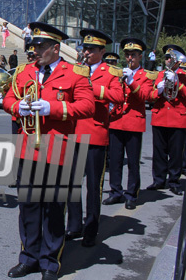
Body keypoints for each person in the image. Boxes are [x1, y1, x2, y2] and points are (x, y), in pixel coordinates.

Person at [3, 22, 94, 280]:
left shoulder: (75, 73)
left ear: (56, 48)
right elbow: (9, 97)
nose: (36, 50)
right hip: (28, 148)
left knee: (54, 209)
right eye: (33, 45)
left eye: (41, 46)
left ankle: (50, 262)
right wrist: (16, 107)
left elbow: (87, 106)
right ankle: (28, 257)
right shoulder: (23, 71)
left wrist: (52, 109)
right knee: (28, 206)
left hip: (57, 149)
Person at [65, 29, 124, 247]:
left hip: (95, 134)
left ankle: (91, 228)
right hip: (73, 132)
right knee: (71, 184)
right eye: (84, 48)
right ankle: (74, 225)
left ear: (102, 51)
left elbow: (118, 97)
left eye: (91, 49)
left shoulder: (111, 73)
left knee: (93, 186)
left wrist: (93, 86)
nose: (86, 52)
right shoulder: (76, 70)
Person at [104, 38, 155, 207]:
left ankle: (132, 194)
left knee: (133, 162)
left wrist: (131, 81)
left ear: (140, 56)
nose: (130, 58)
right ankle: (115, 191)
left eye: (133, 55)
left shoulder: (145, 75)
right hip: (117, 121)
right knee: (115, 160)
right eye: (127, 55)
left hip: (133, 122)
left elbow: (145, 96)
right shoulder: (119, 73)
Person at [147, 45, 186, 195]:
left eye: (171, 58)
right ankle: (158, 179)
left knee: (176, 152)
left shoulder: (183, 75)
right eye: (167, 58)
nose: (168, 60)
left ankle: (174, 181)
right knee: (159, 151)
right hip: (160, 117)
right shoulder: (159, 74)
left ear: (177, 60)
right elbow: (150, 95)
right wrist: (159, 90)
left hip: (178, 118)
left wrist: (177, 82)